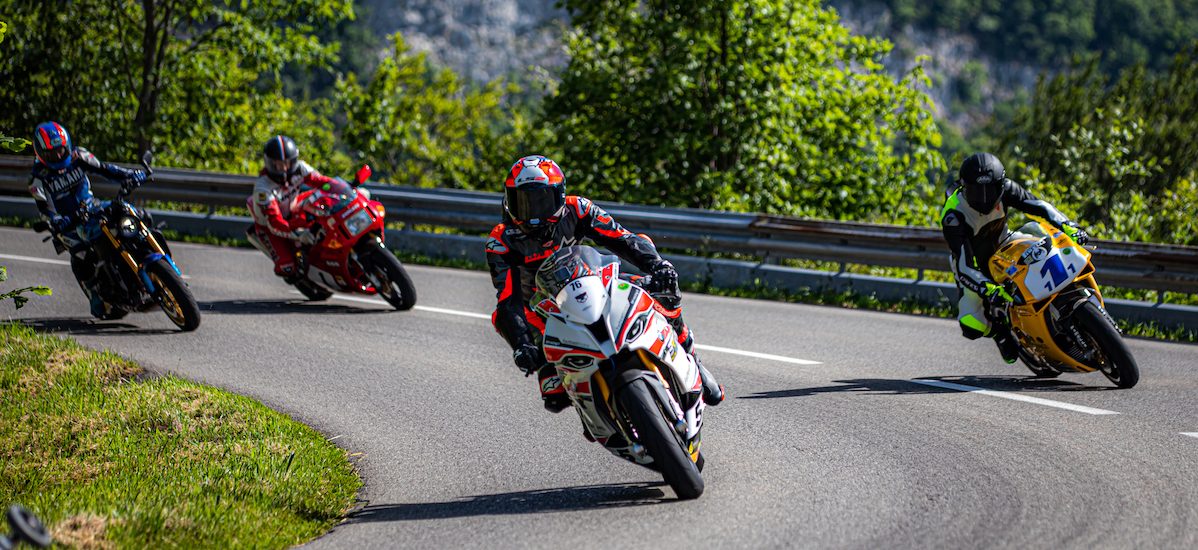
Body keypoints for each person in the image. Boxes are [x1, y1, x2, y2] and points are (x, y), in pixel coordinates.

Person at [486, 155, 724, 412]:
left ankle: (689, 355)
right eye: (523, 203)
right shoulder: (502, 240)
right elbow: (508, 299)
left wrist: (658, 264)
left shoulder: (578, 209)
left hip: (587, 285)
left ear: (559, 195)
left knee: (662, 288)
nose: (533, 215)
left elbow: (624, 239)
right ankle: (584, 395)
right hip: (540, 308)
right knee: (554, 396)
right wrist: (521, 344)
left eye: (541, 201)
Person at [940, 152, 1091, 363]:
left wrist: (1069, 225)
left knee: (1048, 248)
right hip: (974, 264)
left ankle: (1069, 297)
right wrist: (988, 289)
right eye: (976, 191)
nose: (984, 198)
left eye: (990, 190)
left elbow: (1040, 206)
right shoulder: (953, 216)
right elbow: (964, 266)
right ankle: (999, 331)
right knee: (970, 325)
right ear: (964, 187)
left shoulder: (1007, 188)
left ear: (1000, 184)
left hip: (1006, 242)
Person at [27, 121, 148, 318]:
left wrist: (130, 175)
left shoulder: (79, 156)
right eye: (52, 153)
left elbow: (105, 169)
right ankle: (94, 293)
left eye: (61, 150)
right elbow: (44, 208)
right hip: (68, 223)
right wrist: (55, 220)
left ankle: (149, 256)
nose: (58, 156)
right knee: (81, 255)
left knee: (131, 212)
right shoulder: (37, 178)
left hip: (92, 206)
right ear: (40, 152)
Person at [247, 135, 335, 281]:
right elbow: (274, 222)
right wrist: (299, 234)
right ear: (269, 163)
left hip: (294, 207)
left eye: (287, 163)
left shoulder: (300, 168)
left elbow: (323, 182)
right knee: (287, 268)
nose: (283, 168)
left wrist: (344, 190)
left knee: (325, 205)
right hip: (271, 227)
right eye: (277, 164)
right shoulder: (263, 188)